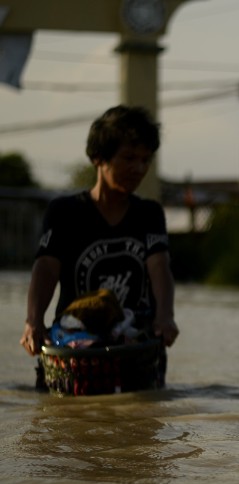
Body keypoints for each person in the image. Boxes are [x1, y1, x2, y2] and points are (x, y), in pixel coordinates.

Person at [20, 105, 179, 365]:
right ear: (99, 158)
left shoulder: (149, 214)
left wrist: (165, 316)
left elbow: (160, 267)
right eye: (129, 158)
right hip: (76, 348)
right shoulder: (64, 212)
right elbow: (46, 268)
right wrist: (33, 321)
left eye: (145, 160)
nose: (139, 169)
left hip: (136, 347)